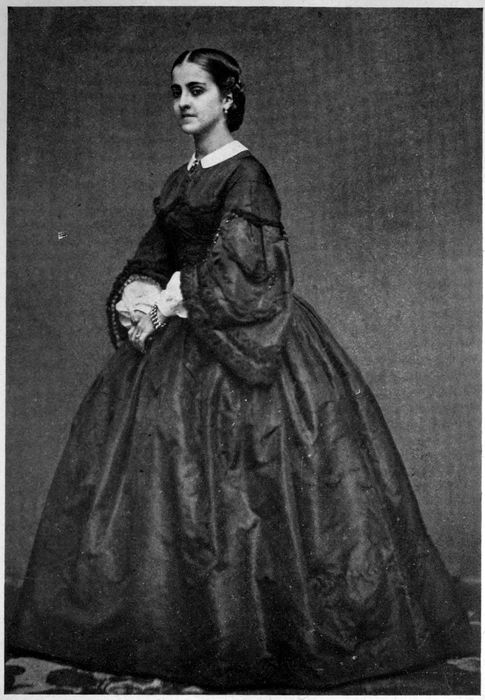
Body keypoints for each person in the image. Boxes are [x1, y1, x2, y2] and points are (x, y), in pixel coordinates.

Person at [9, 48, 474, 691]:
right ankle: (176, 624)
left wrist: (170, 302)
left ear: (227, 98)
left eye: (196, 89)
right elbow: (154, 254)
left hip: (246, 339)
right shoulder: (180, 179)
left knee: (258, 483)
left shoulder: (246, 174)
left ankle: (257, 629)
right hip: (181, 345)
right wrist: (139, 293)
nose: (182, 102)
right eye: (175, 91)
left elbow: (246, 274)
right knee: (162, 481)